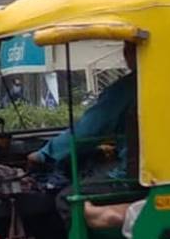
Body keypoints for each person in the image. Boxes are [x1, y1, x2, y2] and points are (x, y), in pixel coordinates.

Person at [28, 42, 138, 179]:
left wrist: (45, 154)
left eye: (129, 48)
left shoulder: (127, 88)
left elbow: (89, 130)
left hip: (136, 174)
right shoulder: (165, 81)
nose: (125, 54)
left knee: (64, 196)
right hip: (162, 172)